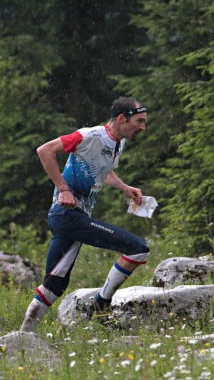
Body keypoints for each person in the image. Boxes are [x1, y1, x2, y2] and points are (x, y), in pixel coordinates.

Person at [20, 97, 149, 332]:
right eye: (139, 121)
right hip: (67, 214)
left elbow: (104, 172)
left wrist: (125, 188)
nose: (143, 127)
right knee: (138, 249)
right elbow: (44, 150)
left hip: (71, 219)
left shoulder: (118, 143)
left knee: (54, 285)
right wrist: (64, 189)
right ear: (122, 118)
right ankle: (101, 305)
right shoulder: (90, 136)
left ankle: (22, 337)